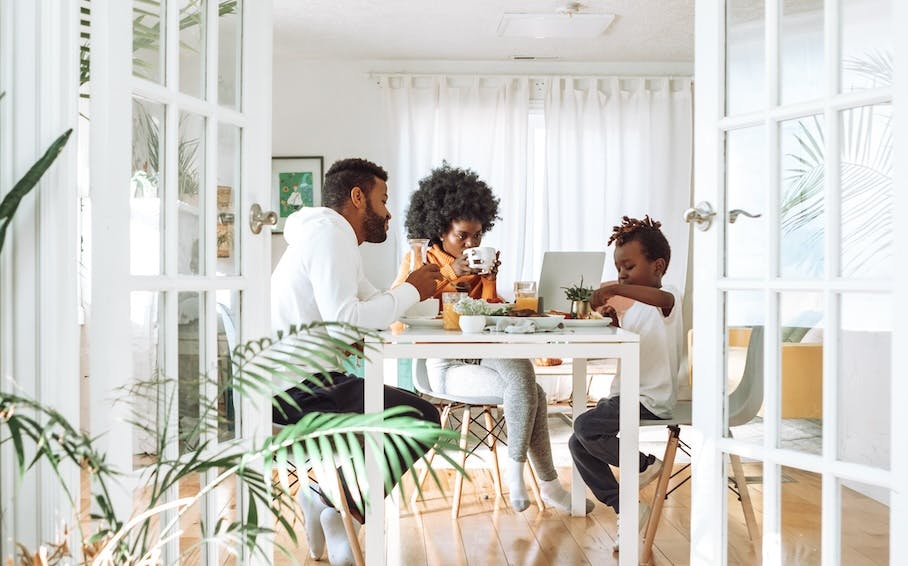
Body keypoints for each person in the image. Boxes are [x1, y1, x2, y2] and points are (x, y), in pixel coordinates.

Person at [271, 157, 443, 566]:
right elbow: (348, 322)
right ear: (357, 196)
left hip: (302, 380)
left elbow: (369, 304)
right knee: (420, 418)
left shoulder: (329, 237)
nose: (387, 213)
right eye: (383, 200)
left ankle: (327, 499)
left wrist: (419, 291)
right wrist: (412, 291)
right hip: (294, 390)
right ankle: (337, 504)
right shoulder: (331, 237)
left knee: (405, 411)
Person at [391, 163, 588, 514]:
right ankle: (543, 484)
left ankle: (530, 480)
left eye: (477, 236)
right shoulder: (419, 260)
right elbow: (398, 316)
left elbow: (484, 316)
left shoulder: (478, 264)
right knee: (533, 391)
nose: (471, 243)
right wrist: (452, 272)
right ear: (439, 229)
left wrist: (492, 281)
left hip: (483, 353)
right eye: (462, 236)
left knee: (524, 377)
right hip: (444, 364)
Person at [567, 215, 688, 550]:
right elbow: (628, 342)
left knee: (586, 428)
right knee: (578, 442)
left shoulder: (668, 297)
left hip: (650, 397)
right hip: (624, 394)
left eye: (629, 267)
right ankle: (627, 506)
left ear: (658, 266)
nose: (621, 275)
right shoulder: (635, 308)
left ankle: (644, 465)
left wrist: (617, 289)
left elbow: (661, 303)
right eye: (619, 269)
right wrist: (613, 320)